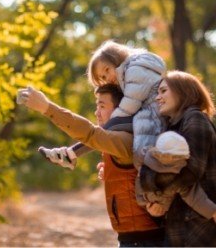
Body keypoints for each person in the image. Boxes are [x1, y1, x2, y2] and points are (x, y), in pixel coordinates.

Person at [18, 84, 165, 247]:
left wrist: (46, 107)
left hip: (144, 240)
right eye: (97, 106)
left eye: (102, 106)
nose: (97, 113)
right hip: (134, 238)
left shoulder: (126, 139)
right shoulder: (123, 138)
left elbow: (89, 133)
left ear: (120, 111)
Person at [37, 40, 166, 171]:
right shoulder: (134, 70)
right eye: (103, 77)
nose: (107, 78)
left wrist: (112, 120)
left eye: (107, 70)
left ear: (117, 59)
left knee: (107, 129)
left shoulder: (134, 71)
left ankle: (70, 154)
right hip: (150, 117)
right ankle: (70, 153)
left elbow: (130, 104)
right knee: (105, 131)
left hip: (154, 119)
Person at [141, 70, 216, 246]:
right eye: (157, 93)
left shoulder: (195, 118)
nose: (157, 98)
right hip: (179, 225)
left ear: (183, 91)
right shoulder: (172, 126)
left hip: (199, 225)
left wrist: (159, 196)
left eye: (163, 91)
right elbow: (157, 170)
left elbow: (189, 172)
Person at [135, 131, 216, 221]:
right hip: (152, 209)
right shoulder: (179, 177)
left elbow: (194, 196)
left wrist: (213, 211)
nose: (185, 162)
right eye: (182, 159)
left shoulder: (143, 158)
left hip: (153, 208)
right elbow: (194, 197)